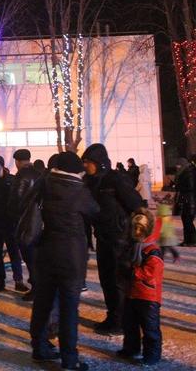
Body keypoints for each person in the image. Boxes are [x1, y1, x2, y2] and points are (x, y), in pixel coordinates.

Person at [29, 152, 98, 371]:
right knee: (69, 308)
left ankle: (39, 348)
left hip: (45, 252)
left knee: (42, 303)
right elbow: (95, 211)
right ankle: (70, 359)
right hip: (71, 256)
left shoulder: (44, 184)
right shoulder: (78, 190)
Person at [82, 143, 144, 335]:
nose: (85, 166)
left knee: (119, 282)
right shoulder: (90, 182)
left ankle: (121, 321)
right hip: (103, 236)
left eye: (88, 162)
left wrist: (138, 236)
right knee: (106, 279)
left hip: (121, 238)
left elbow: (136, 204)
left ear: (99, 162)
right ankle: (113, 316)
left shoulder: (115, 179)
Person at [117, 209, 163, 366]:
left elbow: (151, 272)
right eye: (135, 227)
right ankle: (131, 348)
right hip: (132, 293)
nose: (137, 231)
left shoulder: (153, 250)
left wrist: (132, 270)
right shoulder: (134, 246)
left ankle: (152, 355)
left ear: (147, 229)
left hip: (148, 296)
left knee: (150, 328)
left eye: (141, 229)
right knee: (129, 324)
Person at [0, 156, 27, 292]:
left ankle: (18, 280)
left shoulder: (11, 180)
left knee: (14, 252)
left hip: (9, 222)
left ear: (2, 165)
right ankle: (0, 280)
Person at [8, 148, 41, 300]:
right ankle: (37, 286)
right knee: (35, 255)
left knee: (29, 255)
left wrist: (12, 214)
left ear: (18, 161)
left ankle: (36, 287)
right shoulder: (38, 173)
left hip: (24, 221)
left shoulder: (21, 176)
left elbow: (16, 200)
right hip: (37, 220)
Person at [174, 157, 196, 246]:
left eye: (179, 165)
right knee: (185, 220)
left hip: (191, 201)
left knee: (188, 221)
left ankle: (193, 241)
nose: (177, 167)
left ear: (183, 164)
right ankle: (187, 241)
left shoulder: (189, 173)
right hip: (186, 200)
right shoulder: (183, 172)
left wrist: (179, 187)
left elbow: (191, 187)